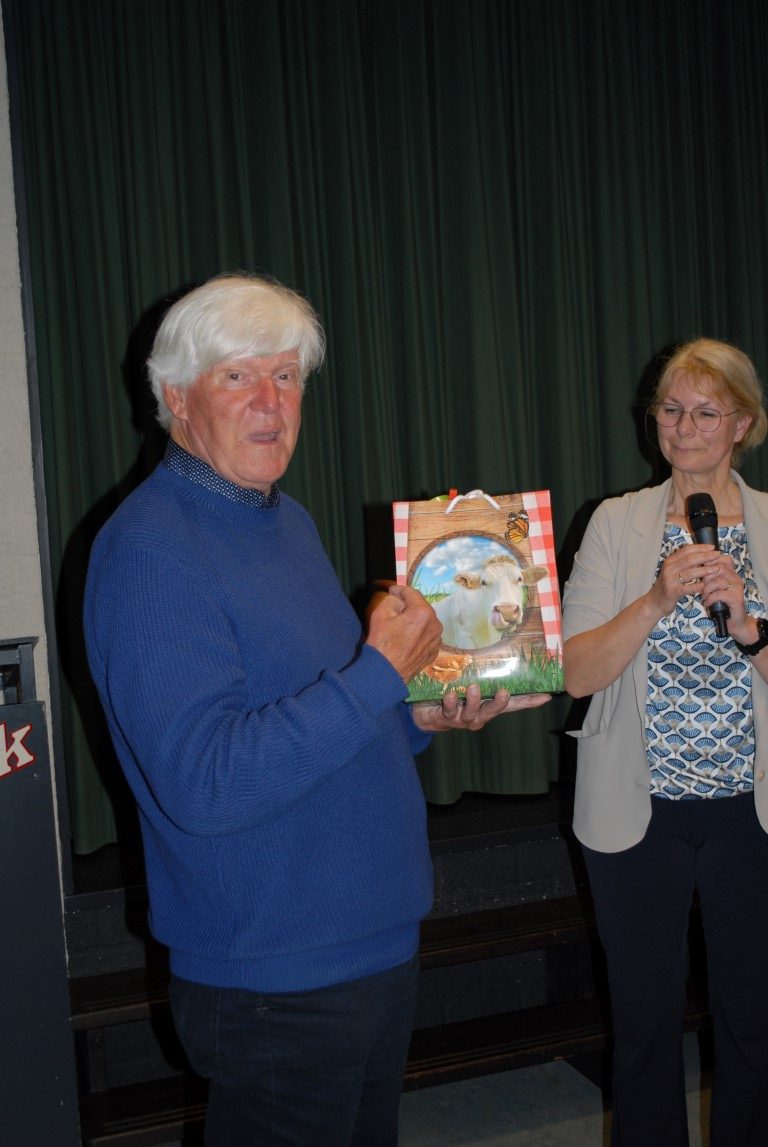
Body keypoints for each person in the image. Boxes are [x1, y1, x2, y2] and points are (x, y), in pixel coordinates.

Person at [83, 272, 550, 1147]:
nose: (271, 403)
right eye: (238, 376)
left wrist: (414, 716)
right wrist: (379, 675)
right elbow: (205, 782)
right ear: (176, 396)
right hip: (274, 978)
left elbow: (322, 710)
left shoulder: (285, 521)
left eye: (287, 376)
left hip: (369, 943)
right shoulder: (150, 550)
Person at [562, 337, 768, 1146]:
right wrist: (654, 599)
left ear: (742, 423)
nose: (683, 428)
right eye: (670, 410)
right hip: (635, 813)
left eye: (706, 413)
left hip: (752, 816)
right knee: (644, 1030)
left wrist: (750, 630)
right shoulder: (616, 523)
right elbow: (576, 670)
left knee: (754, 1024)